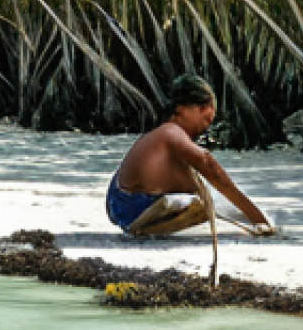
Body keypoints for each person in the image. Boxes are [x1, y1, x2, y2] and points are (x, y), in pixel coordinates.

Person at [107, 75, 275, 237]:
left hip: (119, 203)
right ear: (182, 109)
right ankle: (258, 220)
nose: (203, 128)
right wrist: (261, 221)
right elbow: (211, 167)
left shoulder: (160, 135)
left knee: (197, 186)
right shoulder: (171, 131)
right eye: (205, 119)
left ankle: (252, 218)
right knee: (202, 196)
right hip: (134, 207)